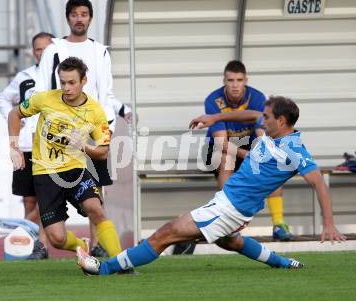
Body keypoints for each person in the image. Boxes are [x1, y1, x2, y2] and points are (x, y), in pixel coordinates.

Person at [76, 96, 346, 275]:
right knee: (230, 242)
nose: (261, 120)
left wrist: (329, 223)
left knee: (167, 232)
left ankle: (105, 268)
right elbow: (251, 118)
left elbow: (319, 183)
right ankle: (283, 263)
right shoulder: (272, 137)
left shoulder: (295, 150)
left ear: (282, 121)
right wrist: (216, 119)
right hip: (229, 203)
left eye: (267, 116)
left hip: (231, 208)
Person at [34, 0, 135, 255]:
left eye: (84, 14)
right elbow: (42, 89)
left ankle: (98, 245)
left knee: (94, 198)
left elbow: (106, 93)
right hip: (57, 140)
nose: (79, 18)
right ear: (68, 18)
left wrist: (117, 117)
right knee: (47, 196)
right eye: (75, 14)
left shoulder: (100, 50)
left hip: (93, 130)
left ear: (90, 18)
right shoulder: (53, 49)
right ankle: (48, 245)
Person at [8, 56, 122, 258]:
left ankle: (121, 261)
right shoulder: (43, 99)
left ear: (84, 81)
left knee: (95, 208)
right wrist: (14, 147)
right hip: (45, 174)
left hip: (76, 171)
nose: (66, 88)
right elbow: (14, 114)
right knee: (57, 239)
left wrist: (83, 147)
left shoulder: (96, 111)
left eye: (72, 83)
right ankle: (82, 247)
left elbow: (103, 152)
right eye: (63, 82)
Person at [204, 60, 292, 241]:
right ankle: (226, 224)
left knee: (272, 162)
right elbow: (222, 142)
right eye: (230, 80)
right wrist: (248, 156)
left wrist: (263, 153)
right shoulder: (213, 100)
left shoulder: (258, 98)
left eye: (239, 80)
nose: (235, 85)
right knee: (225, 159)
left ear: (246, 81)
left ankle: (278, 224)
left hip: (247, 146)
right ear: (224, 81)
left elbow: (262, 132)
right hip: (219, 148)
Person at [0, 32, 54, 259]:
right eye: (38, 49)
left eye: (46, 49)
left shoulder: (60, 77)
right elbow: (3, 98)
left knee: (47, 198)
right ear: (33, 52)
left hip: (50, 147)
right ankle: (27, 247)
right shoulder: (24, 77)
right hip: (26, 145)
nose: (42, 53)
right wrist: (14, 120)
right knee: (29, 199)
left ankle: (38, 242)